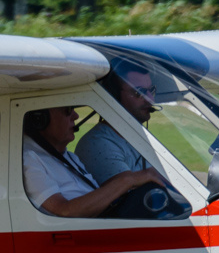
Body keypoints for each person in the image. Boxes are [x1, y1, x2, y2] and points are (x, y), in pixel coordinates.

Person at [21, 106, 167, 218]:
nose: (76, 116)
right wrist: (130, 180)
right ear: (39, 119)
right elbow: (64, 210)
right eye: (67, 110)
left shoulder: (68, 156)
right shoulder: (29, 159)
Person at [77, 65, 159, 184]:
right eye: (139, 92)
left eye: (151, 90)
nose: (151, 99)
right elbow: (129, 192)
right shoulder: (100, 143)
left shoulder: (135, 136)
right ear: (114, 96)